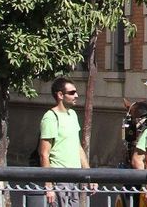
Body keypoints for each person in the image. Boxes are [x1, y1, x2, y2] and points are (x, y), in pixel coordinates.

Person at [39, 77, 90, 207]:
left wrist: (90, 174)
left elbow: (77, 147)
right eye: (72, 93)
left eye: (76, 92)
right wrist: (49, 185)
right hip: (59, 178)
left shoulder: (72, 114)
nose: (76, 95)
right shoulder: (50, 117)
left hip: (75, 177)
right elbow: (44, 154)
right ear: (60, 95)